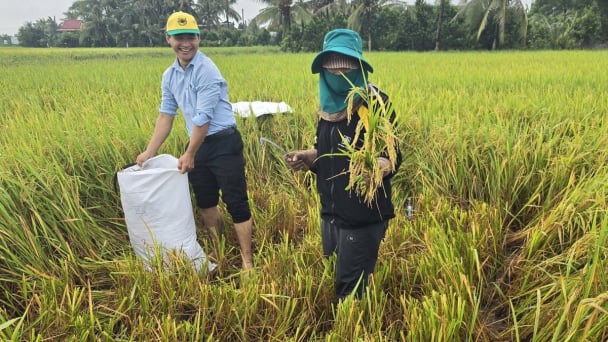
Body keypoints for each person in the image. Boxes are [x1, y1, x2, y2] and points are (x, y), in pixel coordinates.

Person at [284, 29, 402, 301]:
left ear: (358, 66)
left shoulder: (375, 105)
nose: (338, 73)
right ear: (322, 68)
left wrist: (373, 166)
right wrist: (308, 156)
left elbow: (393, 158)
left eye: (346, 65)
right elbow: (328, 151)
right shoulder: (327, 107)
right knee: (338, 272)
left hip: (361, 215)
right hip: (331, 211)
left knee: (349, 293)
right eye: (331, 66)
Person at [136, 11, 253, 271]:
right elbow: (166, 115)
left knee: (236, 202)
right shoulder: (170, 76)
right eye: (179, 37)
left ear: (199, 38)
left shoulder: (207, 70)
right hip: (199, 145)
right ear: (168, 39)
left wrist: (189, 154)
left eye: (190, 36)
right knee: (206, 202)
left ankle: (247, 261)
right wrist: (149, 151)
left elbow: (203, 119)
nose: (185, 43)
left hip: (224, 143)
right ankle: (217, 250)